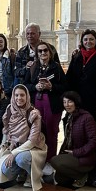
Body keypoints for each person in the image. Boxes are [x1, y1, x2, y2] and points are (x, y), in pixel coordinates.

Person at [0, 85, 47, 191]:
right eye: (16, 95)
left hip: (33, 148)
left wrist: (13, 154)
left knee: (21, 159)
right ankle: (22, 171)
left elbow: (32, 141)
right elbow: (6, 130)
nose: (19, 98)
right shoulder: (10, 109)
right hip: (16, 146)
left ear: (27, 96)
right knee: (5, 169)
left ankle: (33, 175)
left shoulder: (33, 113)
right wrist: (2, 146)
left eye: (22, 95)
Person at [24, 41, 66, 170]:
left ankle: (50, 160)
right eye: (40, 51)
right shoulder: (33, 67)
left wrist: (51, 86)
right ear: (37, 54)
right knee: (38, 131)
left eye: (45, 51)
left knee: (51, 132)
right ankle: (39, 159)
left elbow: (65, 86)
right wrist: (35, 86)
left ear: (50, 52)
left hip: (52, 104)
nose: (43, 53)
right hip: (37, 102)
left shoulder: (56, 67)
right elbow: (25, 85)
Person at [50, 91, 96, 188]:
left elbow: (94, 141)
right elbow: (67, 140)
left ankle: (84, 175)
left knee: (54, 161)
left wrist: (77, 152)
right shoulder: (69, 117)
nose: (66, 105)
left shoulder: (86, 117)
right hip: (74, 154)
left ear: (76, 102)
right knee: (60, 179)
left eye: (70, 102)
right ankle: (78, 174)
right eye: (64, 102)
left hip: (85, 157)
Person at [66, 29, 96, 133]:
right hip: (77, 101)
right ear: (82, 41)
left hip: (95, 102)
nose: (88, 42)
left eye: (91, 39)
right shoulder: (76, 56)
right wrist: (68, 99)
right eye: (85, 39)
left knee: (93, 130)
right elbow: (69, 78)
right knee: (77, 131)